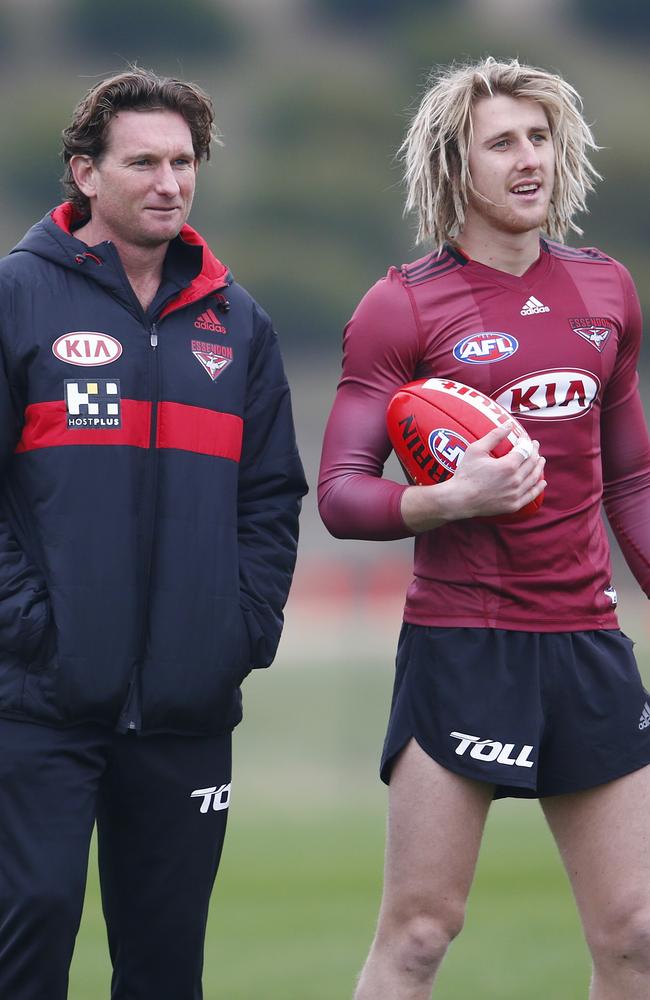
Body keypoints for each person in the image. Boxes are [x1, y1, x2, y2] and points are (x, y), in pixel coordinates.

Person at [318, 57, 650, 999]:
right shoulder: (402, 306)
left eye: (540, 138)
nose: (529, 159)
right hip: (463, 640)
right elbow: (341, 492)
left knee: (636, 936)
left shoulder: (607, 293)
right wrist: (449, 499)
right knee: (421, 934)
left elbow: (633, 479)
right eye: (501, 142)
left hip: (586, 641)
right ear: (455, 166)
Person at [0, 68, 306, 998]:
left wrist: (239, 630)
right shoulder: (16, 297)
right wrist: (27, 623)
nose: (169, 182)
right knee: (33, 933)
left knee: (167, 964)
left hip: (186, 706)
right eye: (144, 162)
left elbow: (270, 498)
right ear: (85, 173)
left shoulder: (238, 325)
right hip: (38, 700)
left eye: (184, 162)